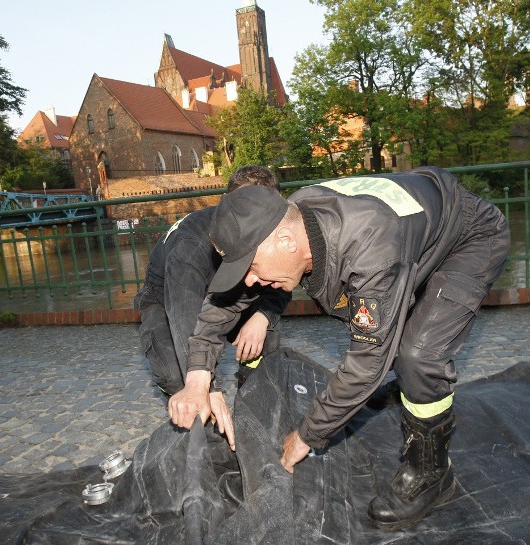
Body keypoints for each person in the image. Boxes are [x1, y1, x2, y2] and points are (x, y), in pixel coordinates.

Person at [169, 167, 510, 530]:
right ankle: (412, 393)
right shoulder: (290, 224)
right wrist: (197, 378)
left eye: (250, 267)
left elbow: (366, 362)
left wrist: (307, 434)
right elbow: (223, 304)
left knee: (418, 355)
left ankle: (432, 475)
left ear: (286, 240)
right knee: (391, 338)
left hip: (469, 236)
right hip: (412, 236)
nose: (250, 281)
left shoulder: (369, 250)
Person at [135, 165, 291, 451]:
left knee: (266, 337)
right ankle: (194, 420)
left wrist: (262, 316)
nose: (251, 218)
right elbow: (187, 319)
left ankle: (254, 409)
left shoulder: (269, 231)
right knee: (179, 373)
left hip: (231, 293)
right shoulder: (190, 246)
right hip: (168, 298)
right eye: (243, 206)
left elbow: (284, 276)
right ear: (225, 201)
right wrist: (209, 386)